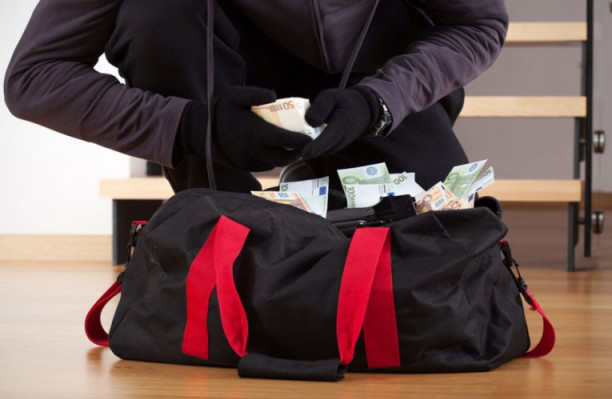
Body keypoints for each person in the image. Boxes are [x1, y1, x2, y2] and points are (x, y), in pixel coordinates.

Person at [5, 0, 508, 194]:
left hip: (374, 88)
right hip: (226, 93)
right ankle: (217, 213)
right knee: (155, 11)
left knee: (430, 250)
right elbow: (34, 77)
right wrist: (192, 125)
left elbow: (478, 24)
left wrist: (379, 102)